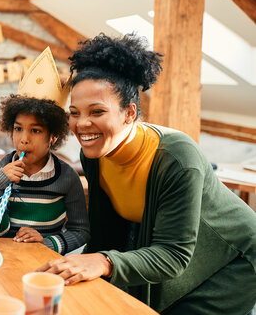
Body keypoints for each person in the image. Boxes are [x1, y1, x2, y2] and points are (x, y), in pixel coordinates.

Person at [37, 33, 256, 314]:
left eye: (97, 111)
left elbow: (174, 254)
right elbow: (105, 233)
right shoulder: (93, 155)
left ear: (129, 113)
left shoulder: (176, 158)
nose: (82, 124)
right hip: (181, 251)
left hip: (234, 257)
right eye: (75, 112)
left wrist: (103, 262)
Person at [0, 95, 90, 255]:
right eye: (18, 129)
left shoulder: (68, 177)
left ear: (53, 137)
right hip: (7, 260)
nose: (24, 140)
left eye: (35, 130)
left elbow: (81, 231)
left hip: (46, 264)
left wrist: (46, 243)